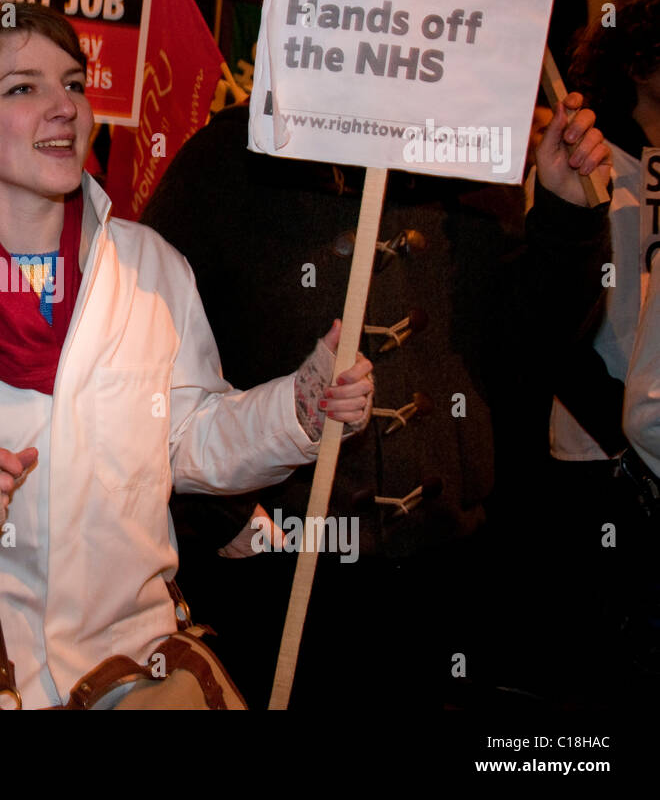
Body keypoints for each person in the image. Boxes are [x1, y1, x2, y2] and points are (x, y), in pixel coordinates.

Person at [0, 3, 375, 709]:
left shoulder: (151, 267)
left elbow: (190, 441)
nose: (63, 106)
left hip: (136, 675)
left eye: (72, 82)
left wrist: (298, 405)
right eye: (22, 88)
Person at [142, 87, 616, 705]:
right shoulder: (228, 156)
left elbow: (524, 355)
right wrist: (212, 514)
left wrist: (567, 218)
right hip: (277, 573)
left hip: (444, 575)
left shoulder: (471, 153)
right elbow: (145, 348)